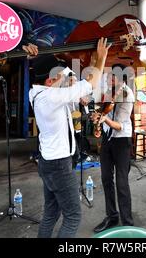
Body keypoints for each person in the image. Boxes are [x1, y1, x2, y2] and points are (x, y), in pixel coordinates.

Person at [27, 38, 109, 238]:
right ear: (49, 81)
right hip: (59, 165)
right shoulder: (50, 97)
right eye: (59, 78)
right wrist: (101, 58)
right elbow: (91, 83)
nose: (64, 80)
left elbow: (68, 75)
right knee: (73, 217)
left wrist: (40, 57)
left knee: (51, 213)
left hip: (48, 162)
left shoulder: (35, 92)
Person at [93, 64, 135, 233]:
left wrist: (104, 119)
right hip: (107, 139)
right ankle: (111, 216)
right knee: (105, 178)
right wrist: (96, 116)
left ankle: (127, 223)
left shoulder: (127, 94)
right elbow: (103, 110)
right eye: (110, 76)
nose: (110, 79)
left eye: (113, 76)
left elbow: (119, 126)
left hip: (121, 140)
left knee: (122, 182)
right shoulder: (109, 92)